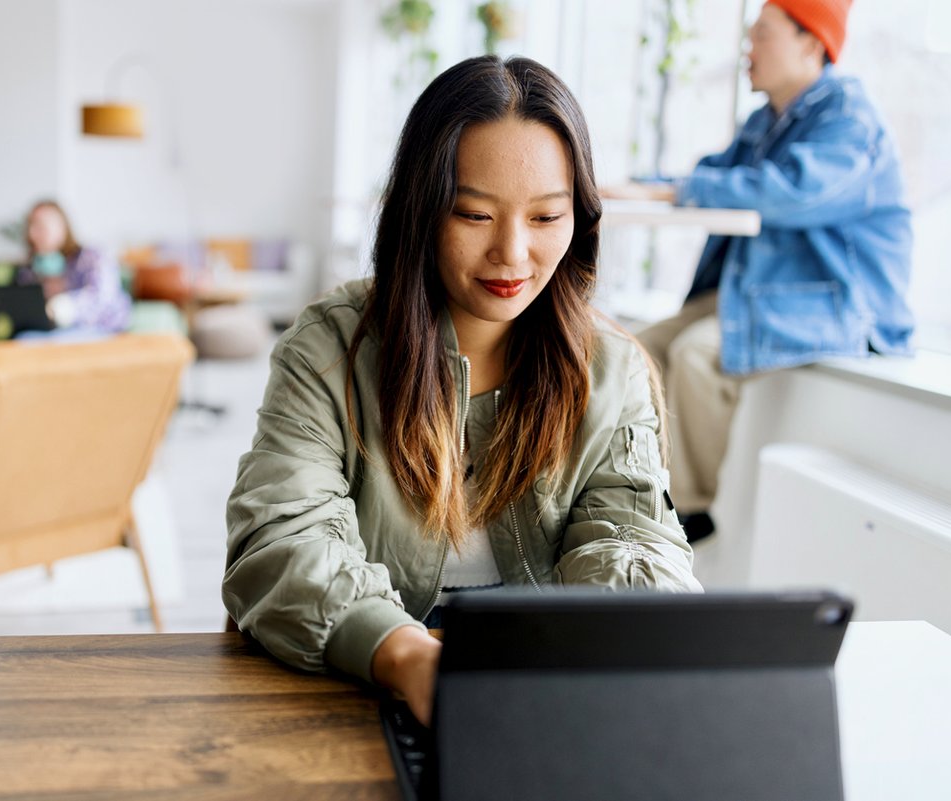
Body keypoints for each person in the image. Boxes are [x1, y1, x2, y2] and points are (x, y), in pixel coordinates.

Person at [223, 55, 701, 727]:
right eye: (474, 214)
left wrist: (575, 652)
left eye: (545, 218)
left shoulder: (612, 369)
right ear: (421, 213)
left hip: (542, 697)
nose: (512, 253)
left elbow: (635, 542)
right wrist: (403, 652)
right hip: (351, 685)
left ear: (580, 219)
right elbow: (281, 540)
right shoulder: (330, 348)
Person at [608, 0, 913, 542]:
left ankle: (687, 509)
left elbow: (786, 192)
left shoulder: (851, 120)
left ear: (811, 45)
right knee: (627, 349)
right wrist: (629, 183)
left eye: (763, 36)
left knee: (696, 356)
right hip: (758, 294)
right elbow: (708, 176)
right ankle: (621, 485)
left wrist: (670, 190)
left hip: (835, 305)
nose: (749, 49)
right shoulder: (764, 120)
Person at [17, 200, 131, 333]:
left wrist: (62, 307)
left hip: (103, 331)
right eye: (30, 226)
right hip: (50, 333)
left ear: (62, 227)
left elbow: (104, 299)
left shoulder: (93, 258)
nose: (32, 233)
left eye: (41, 226)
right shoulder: (30, 271)